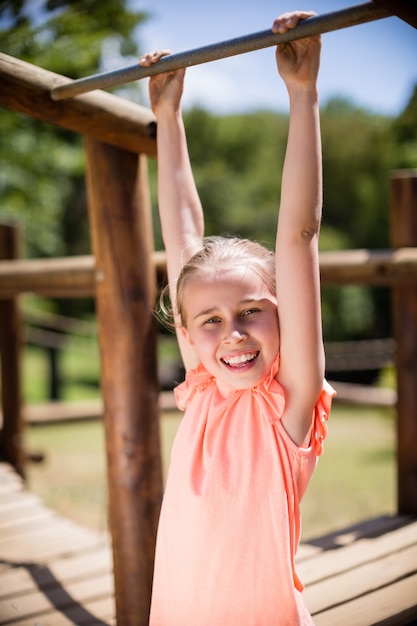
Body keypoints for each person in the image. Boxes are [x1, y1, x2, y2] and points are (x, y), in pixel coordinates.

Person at [140, 10, 335, 625]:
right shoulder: (202, 384)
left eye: (252, 311)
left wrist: (302, 96)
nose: (233, 333)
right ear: (188, 328)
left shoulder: (289, 404)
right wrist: (167, 121)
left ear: (283, 317)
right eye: (212, 320)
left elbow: (298, 235)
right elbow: (183, 233)